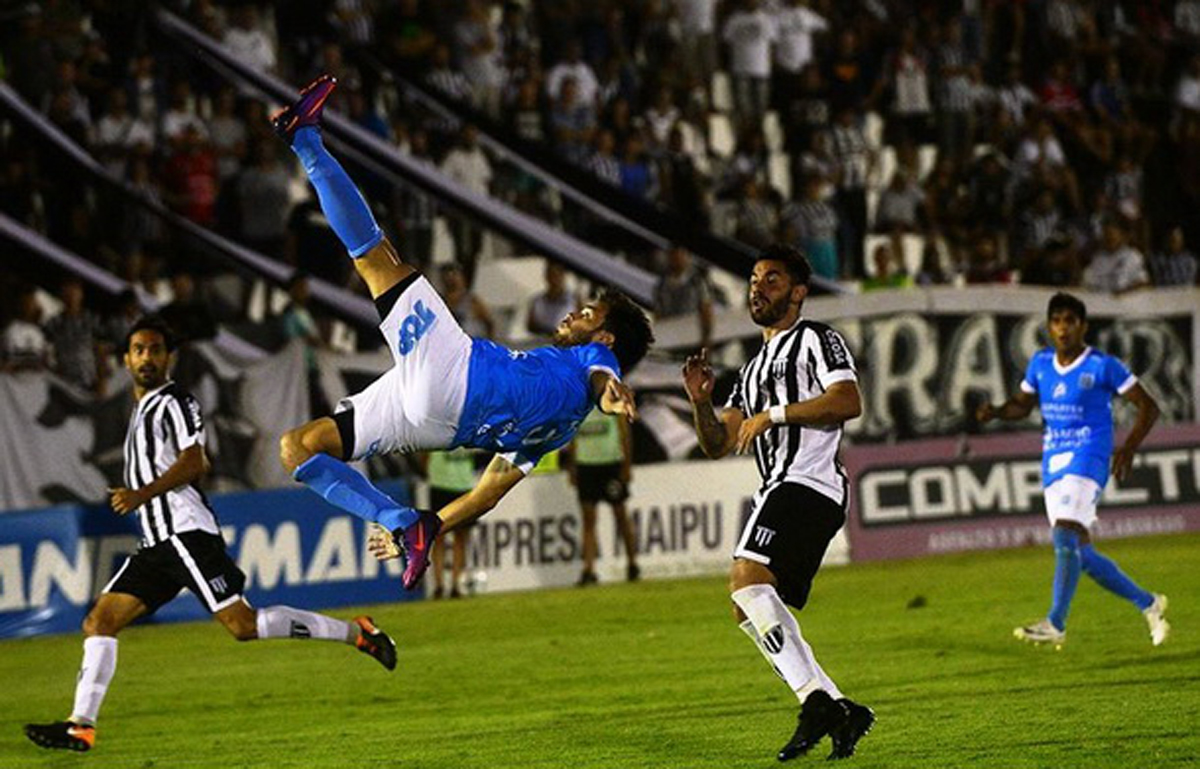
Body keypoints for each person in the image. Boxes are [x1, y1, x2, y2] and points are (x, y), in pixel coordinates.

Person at [270, 76, 653, 593]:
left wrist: (614, 392)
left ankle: (306, 139)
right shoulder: (559, 429)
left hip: (455, 373)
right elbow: (486, 495)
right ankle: (400, 520)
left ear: (603, 338)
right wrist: (433, 524)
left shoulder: (591, 361)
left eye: (586, 313)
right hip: (436, 422)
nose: (574, 316)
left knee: (377, 260)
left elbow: (603, 379)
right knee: (300, 447)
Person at [24, 316, 397, 754]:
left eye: (155, 349)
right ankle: (80, 726)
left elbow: (194, 461)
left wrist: (141, 494)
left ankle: (358, 633)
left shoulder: (175, 401)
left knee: (243, 625)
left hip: (185, 534)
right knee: (99, 621)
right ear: (126, 359)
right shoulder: (141, 409)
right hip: (158, 544)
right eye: (139, 350)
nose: (147, 357)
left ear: (169, 357)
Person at [681, 245, 873, 762]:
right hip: (782, 488)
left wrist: (775, 415)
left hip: (807, 481)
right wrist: (701, 402)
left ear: (798, 292)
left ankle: (814, 702)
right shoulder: (751, 368)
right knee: (746, 605)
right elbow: (718, 443)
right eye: (753, 280)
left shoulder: (816, 338)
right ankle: (834, 703)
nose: (758, 288)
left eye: (772, 280)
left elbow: (848, 401)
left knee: (745, 578)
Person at [976, 293, 1169, 648]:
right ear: (1049, 326)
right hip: (1054, 460)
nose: (1062, 328)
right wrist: (998, 411)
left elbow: (1148, 406)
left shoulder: (1102, 366)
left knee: (1064, 535)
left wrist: (1128, 446)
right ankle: (1149, 602)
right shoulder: (1041, 363)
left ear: (1083, 325)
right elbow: (1023, 405)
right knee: (1081, 552)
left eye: (1069, 321)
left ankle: (1055, 622)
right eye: (1056, 321)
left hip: (1089, 454)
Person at [564, 409, 639, 586]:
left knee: (620, 514)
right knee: (589, 519)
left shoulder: (609, 401)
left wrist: (626, 464)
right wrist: (572, 466)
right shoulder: (579, 402)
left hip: (610, 463)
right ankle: (588, 569)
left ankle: (632, 563)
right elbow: (572, 436)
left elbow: (624, 433)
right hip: (586, 464)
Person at [425, 449, 480, 599]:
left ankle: (456, 585)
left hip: (463, 483)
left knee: (460, 537)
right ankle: (439, 585)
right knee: (439, 536)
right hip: (440, 483)